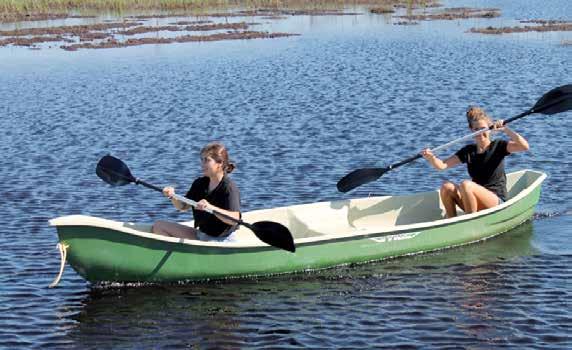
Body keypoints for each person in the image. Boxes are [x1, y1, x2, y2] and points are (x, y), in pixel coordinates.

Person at [421, 106, 529, 218]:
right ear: (471, 130)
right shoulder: (468, 151)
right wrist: (431, 157)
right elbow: (442, 166)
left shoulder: (499, 146)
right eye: (476, 130)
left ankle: (470, 221)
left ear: (489, 128)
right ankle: (451, 221)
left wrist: (506, 129)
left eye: (483, 129)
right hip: (474, 200)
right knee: (446, 187)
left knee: (466, 184)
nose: (480, 133)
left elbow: (524, 146)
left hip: (496, 202)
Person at [152, 142, 241, 241]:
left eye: (207, 160)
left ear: (219, 163)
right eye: (202, 160)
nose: (202, 164)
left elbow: (235, 219)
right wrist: (172, 196)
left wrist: (210, 208)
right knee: (159, 226)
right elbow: (183, 206)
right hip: (201, 235)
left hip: (222, 240)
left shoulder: (229, 187)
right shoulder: (199, 183)